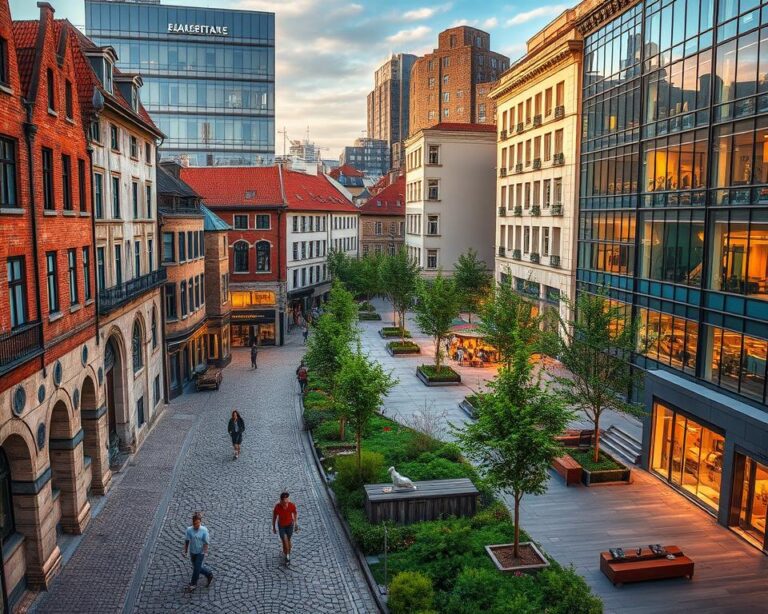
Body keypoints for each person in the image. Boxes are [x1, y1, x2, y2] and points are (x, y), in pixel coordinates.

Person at [183, 513, 213, 590]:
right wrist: (186, 550)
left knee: (196, 568)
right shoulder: (189, 530)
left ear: (200, 522)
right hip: (192, 552)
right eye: (195, 523)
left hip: (200, 552)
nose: (197, 525)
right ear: (193, 523)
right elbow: (187, 540)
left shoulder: (204, 530)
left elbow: (206, 542)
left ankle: (193, 584)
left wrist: (205, 552)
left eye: (198, 523)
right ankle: (209, 574)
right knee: (197, 568)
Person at [272, 492, 298, 564]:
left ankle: (287, 550)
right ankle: (287, 556)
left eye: (287, 500)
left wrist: (296, 523)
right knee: (284, 540)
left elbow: (295, 513)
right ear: (281, 501)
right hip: (281, 526)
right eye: (285, 501)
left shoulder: (291, 505)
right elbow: (274, 517)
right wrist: (274, 527)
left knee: (288, 540)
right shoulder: (277, 507)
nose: (287, 503)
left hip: (290, 525)